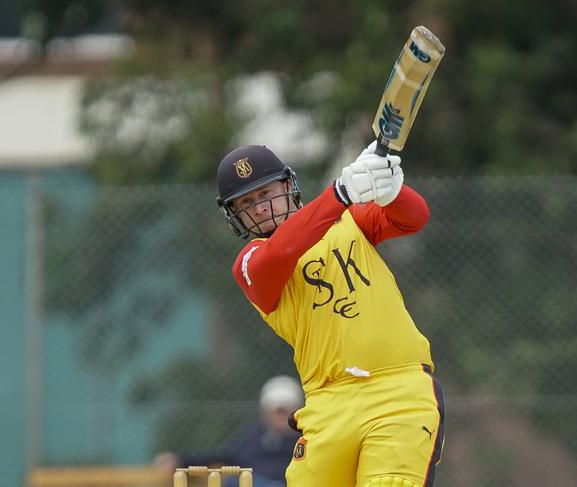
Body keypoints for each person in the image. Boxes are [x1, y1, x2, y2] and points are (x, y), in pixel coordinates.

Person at [215, 142, 445, 487]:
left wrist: (391, 189)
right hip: (327, 402)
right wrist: (340, 192)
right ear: (235, 215)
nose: (260, 208)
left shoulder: (349, 220)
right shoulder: (250, 263)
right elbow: (283, 251)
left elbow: (413, 218)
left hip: (399, 391)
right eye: (246, 203)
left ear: (288, 186)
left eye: (265, 193)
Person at [154, 375, 303, 487]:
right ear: (265, 412)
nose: (280, 417)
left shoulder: (305, 441)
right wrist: (180, 459)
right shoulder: (253, 438)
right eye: (276, 411)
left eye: (285, 411)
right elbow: (223, 454)